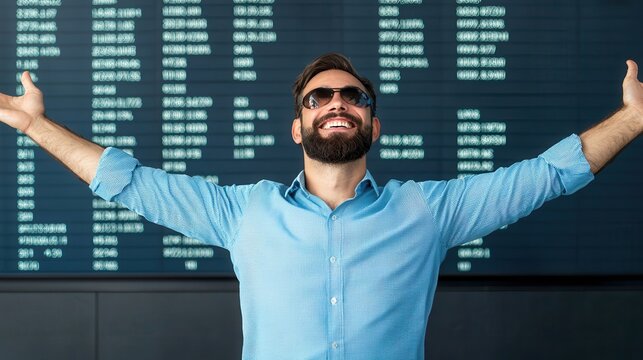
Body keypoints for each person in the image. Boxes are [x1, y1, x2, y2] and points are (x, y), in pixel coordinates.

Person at [0, 53, 641, 359]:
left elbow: (545, 176)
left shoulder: (429, 211)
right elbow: (128, 180)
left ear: (374, 122)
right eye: (318, 98)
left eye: (353, 96)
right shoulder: (242, 214)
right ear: (297, 128)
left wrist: (633, 122)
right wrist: (35, 127)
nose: (337, 102)